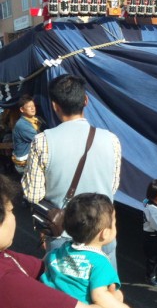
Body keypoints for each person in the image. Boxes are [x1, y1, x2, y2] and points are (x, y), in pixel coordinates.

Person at [22, 74, 122, 269]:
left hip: (63, 233)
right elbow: (112, 186)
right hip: (103, 233)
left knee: (66, 296)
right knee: (105, 292)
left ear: (54, 105)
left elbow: (33, 194)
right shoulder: (111, 140)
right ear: (85, 100)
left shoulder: (42, 141)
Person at [0, 174, 107, 308]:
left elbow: (44, 267)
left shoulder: (6, 256)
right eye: (10, 210)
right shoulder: (7, 280)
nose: (14, 217)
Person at [40, 193, 129, 308]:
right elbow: (99, 296)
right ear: (105, 233)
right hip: (78, 305)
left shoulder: (61, 250)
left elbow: (44, 261)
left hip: (49, 301)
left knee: (118, 295)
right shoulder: (101, 263)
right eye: (114, 223)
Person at [12, 95, 46, 174]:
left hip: (32, 156)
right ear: (22, 109)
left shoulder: (36, 119)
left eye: (33, 106)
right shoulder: (22, 125)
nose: (33, 108)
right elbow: (40, 139)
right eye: (29, 106)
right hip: (24, 163)